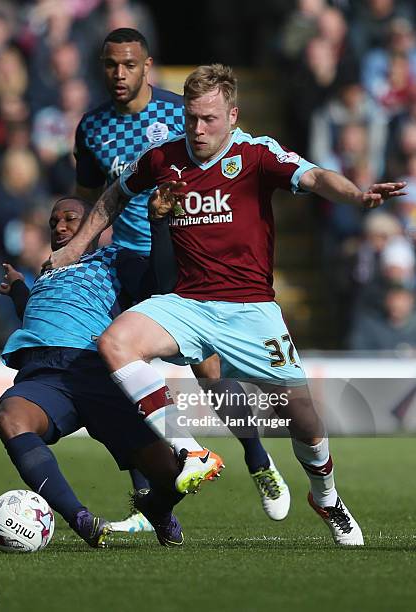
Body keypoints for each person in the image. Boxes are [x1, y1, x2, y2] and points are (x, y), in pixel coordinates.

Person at [48, 64, 407, 546]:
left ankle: (326, 499)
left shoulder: (256, 156)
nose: (197, 129)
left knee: (303, 417)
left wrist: (356, 195)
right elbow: (115, 194)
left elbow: (317, 176)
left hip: (251, 309)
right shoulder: (165, 158)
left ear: (232, 116)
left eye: (209, 119)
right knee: (115, 342)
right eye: (192, 118)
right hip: (187, 303)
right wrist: (76, 247)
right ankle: (188, 450)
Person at [73, 27, 291, 531]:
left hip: (183, 255)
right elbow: (90, 195)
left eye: (130, 65)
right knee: (118, 370)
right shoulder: (91, 127)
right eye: (111, 65)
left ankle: (257, 458)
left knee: (211, 372)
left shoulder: (181, 112)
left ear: (148, 66)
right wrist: (76, 246)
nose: (120, 74)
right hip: (122, 261)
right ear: (102, 66)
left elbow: (227, 162)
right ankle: (150, 497)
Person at [0, 196, 186, 548]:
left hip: (100, 373)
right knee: (10, 418)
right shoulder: (47, 270)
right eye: (53, 223)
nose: (60, 227)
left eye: (70, 220)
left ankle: (158, 511)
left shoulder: (115, 259)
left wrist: (159, 224)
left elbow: (159, 287)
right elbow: (43, 315)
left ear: (96, 227)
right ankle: (81, 519)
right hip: (46, 376)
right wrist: (21, 289)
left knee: (174, 477)